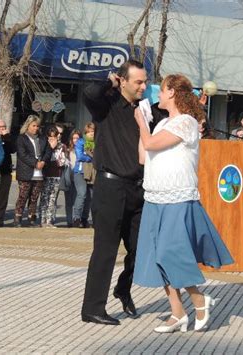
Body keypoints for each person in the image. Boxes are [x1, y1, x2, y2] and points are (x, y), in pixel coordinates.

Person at [133, 74, 234, 333]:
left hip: (177, 198)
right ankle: (178, 313)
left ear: (173, 93)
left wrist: (142, 124)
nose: (157, 93)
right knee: (157, 257)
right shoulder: (162, 123)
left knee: (170, 253)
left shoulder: (187, 122)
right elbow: (144, 156)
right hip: (155, 196)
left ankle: (199, 300)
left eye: (162, 89)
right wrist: (144, 125)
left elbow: (152, 143)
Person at [81, 60, 147, 325]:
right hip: (110, 187)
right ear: (123, 81)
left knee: (142, 247)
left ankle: (123, 287)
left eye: (145, 81)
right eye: (138, 82)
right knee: (105, 250)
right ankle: (93, 309)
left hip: (137, 189)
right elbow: (89, 93)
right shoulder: (106, 105)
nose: (144, 86)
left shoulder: (141, 110)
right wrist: (110, 81)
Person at [14, 115, 49, 227]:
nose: (35, 128)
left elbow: (48, 151)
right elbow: (22, 154)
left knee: (34, 197)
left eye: (37, 126)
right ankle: (18, 218)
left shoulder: (42, 138)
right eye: (33, 126)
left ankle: (31, 218)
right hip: (26, 171)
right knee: (23, 196)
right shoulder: (22, 138)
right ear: (28, 126)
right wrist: (35, 163)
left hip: (39, 172)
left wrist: (43, 161)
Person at [39, 125, 67, 228]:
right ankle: (42, 220)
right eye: (50, 138)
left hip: (56, 176)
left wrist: (57, 152)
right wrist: (50, 148)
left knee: (52, 198)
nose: (52, 140)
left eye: (54, 137)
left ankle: (49, 221)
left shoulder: (62, 146)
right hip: (45, 175)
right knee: (44, 198)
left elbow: (62, 162)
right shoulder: (44, 146)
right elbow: (42, 158)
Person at [0, 119, 16, 227]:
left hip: (5, 171)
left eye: (4, 127)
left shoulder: (8, 138)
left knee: (3, 197)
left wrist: (6, 137)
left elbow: (12, 149)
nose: (2, 129)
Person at [72, 122, 94, 228]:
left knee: (90, 197)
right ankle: (76, 218)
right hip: (80, 172)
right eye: (89, 132)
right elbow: (80, 156)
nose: (91, 134)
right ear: (85, 132)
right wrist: (91, 158)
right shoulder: (81, 142)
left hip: (92, 172)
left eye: (93, 131)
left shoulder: (96, 142)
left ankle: (85, 219)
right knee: (82, 194)